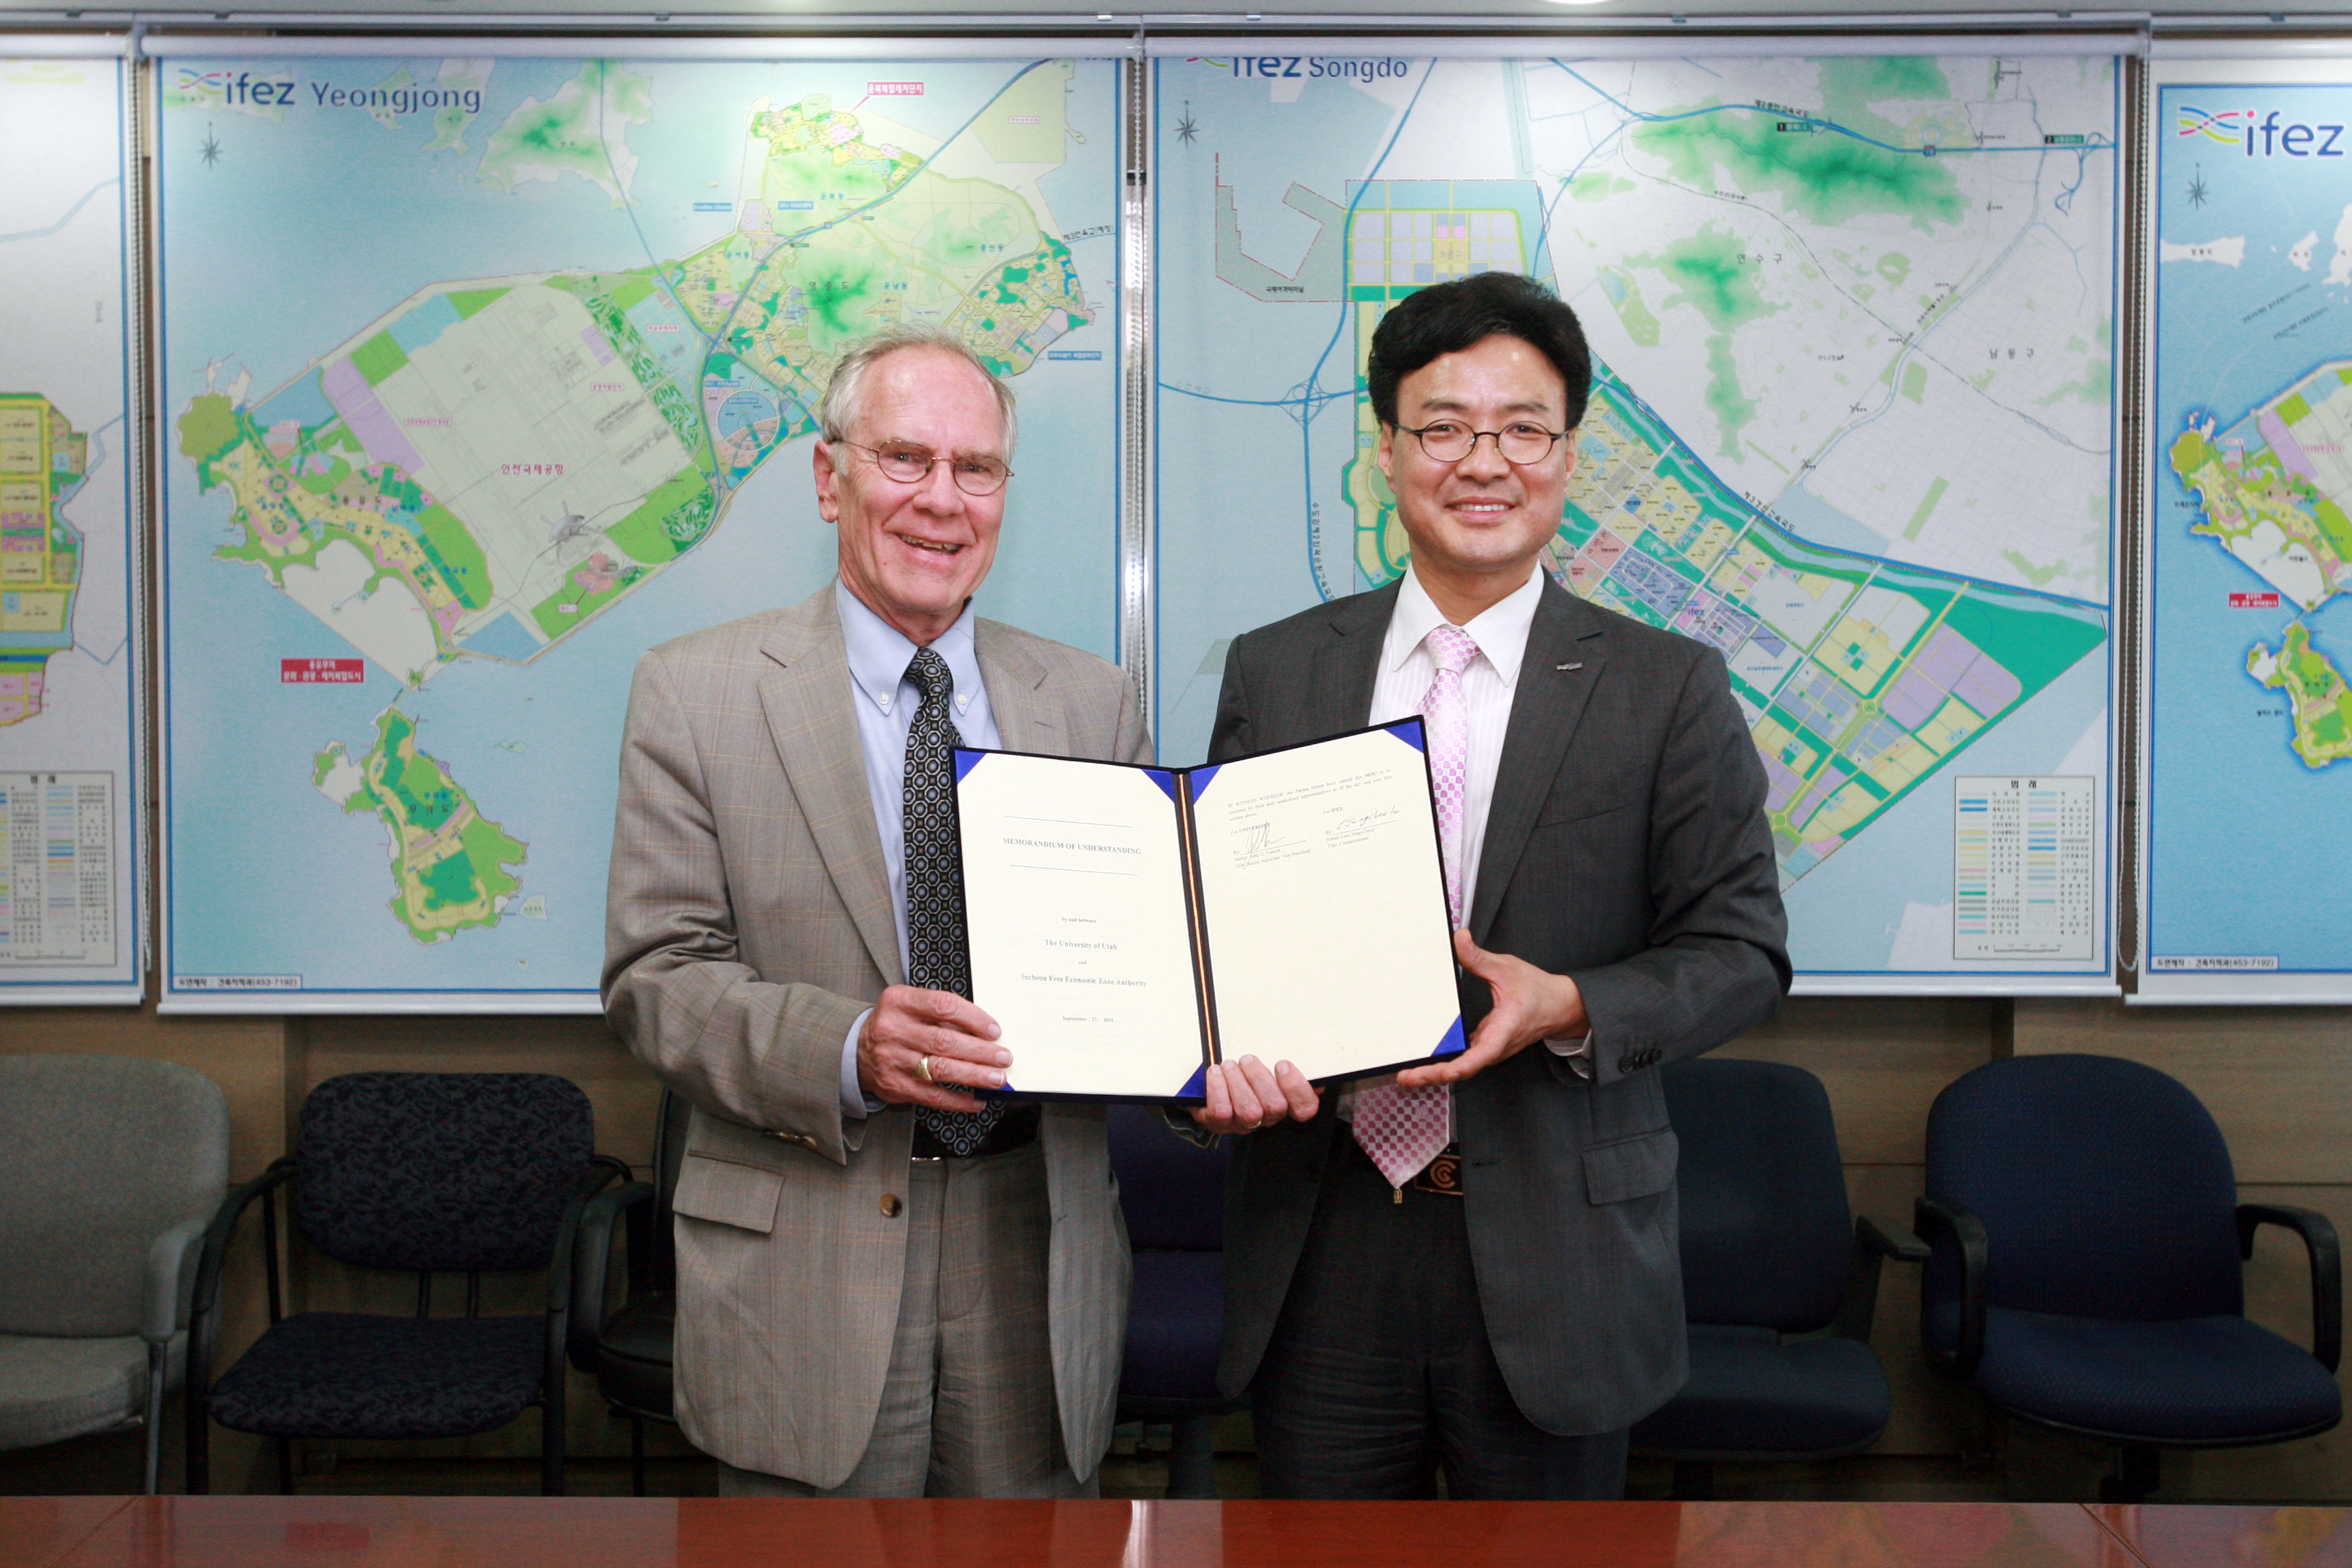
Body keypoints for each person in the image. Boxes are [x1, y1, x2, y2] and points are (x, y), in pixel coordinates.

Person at [1191, 271, 1790, 1500]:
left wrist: (1569, 1005)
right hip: (1326, 1238)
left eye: (1522, 428)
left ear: (1567, 454)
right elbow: (1218, 939)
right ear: (1387, 452)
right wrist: (1203, 1072)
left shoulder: (1665, 685)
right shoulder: (1279, 670)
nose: (1484, 461)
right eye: (1444, 426)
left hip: (1561, 1254)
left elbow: (1740, 951)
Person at [603, 327, 1148, 1497]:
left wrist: (1210, 1069)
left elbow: (1143, 967)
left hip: (1032, 1243)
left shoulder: (1091, 701)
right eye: (903, 459)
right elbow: (657, 976)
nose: (941, 503)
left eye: (976, 469)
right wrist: (849, 1048)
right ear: (826, 475)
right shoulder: (694, 692)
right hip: (811, 1237)